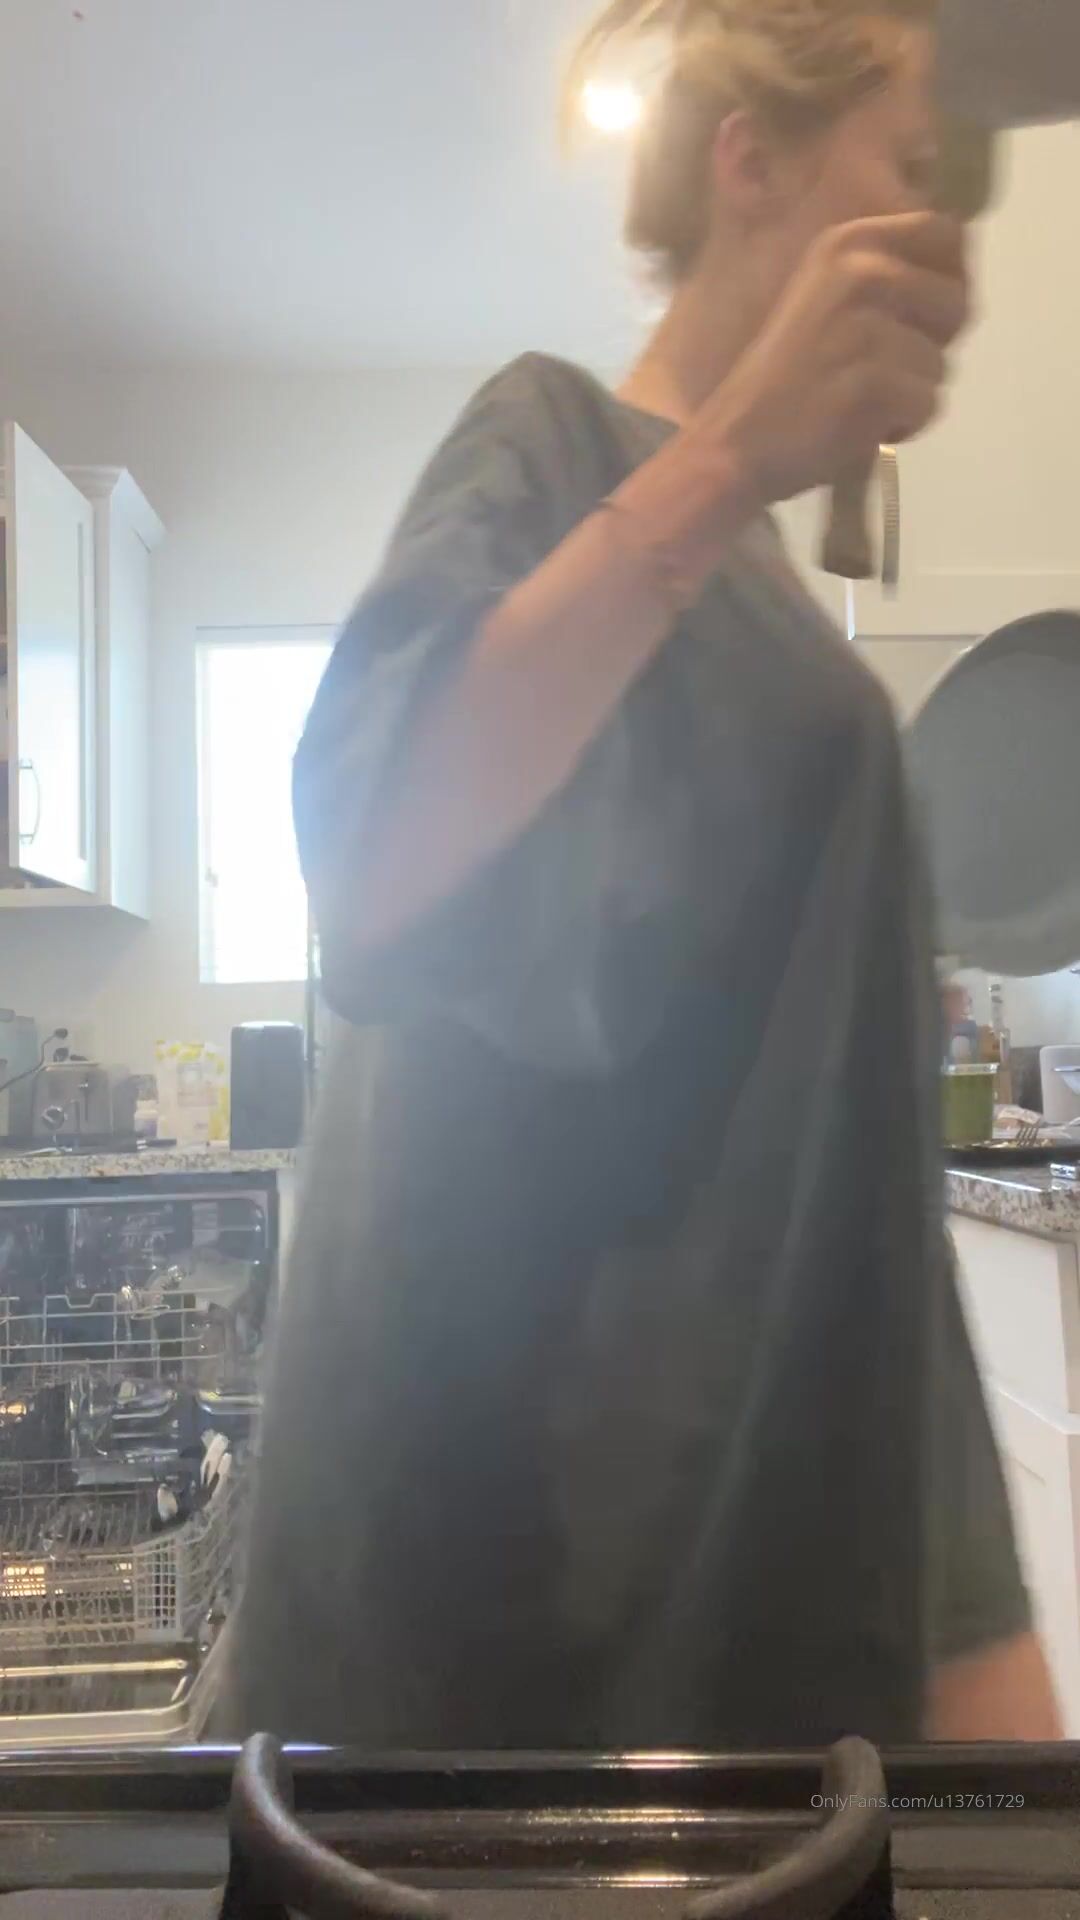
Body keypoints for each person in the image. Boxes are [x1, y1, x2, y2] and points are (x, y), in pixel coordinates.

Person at [221, 0, 1061, 1748]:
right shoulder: (552, 443)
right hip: (475, 1652)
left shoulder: (796, 637)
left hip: (751, 1660)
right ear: (753, 163)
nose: (944, 233)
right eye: (906, 164)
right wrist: (730, 455)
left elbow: (845, 1217)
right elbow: (370, 862)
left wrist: (982, 1666)